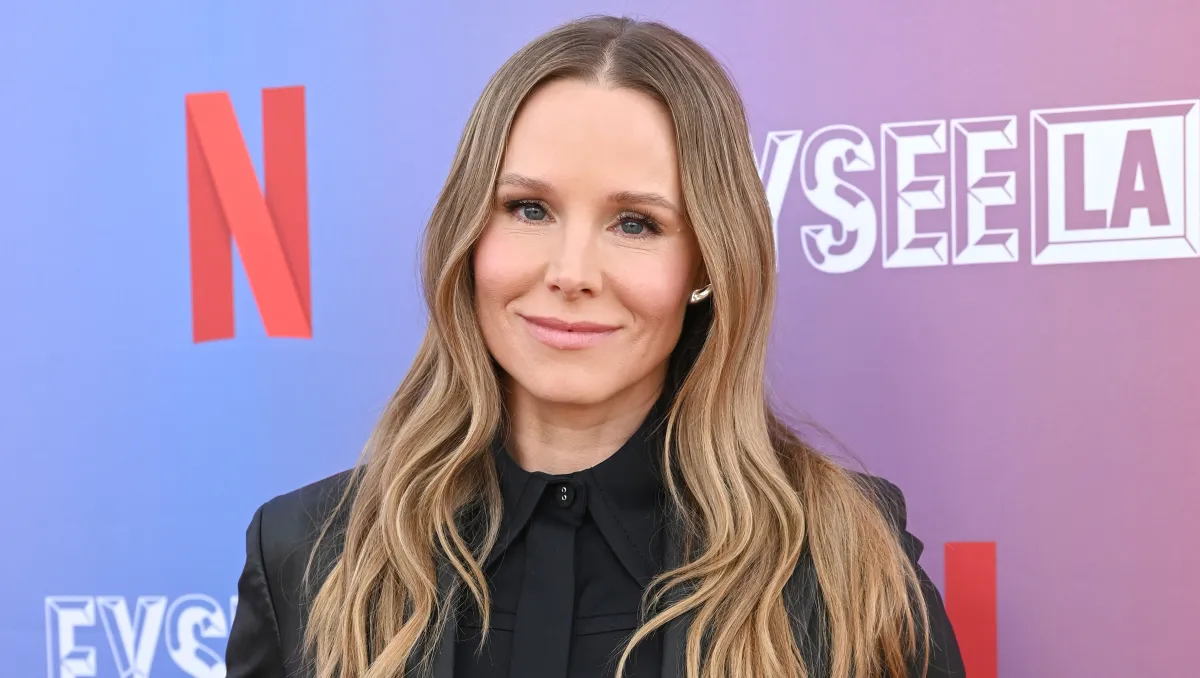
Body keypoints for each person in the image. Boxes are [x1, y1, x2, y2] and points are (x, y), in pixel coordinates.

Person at [224, 14, 965, 678]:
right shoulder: (308, 555)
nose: (571, 272)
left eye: (635, 223)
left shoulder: (842, 561)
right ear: (468, 235)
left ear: (708, 264)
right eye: (529, 209)